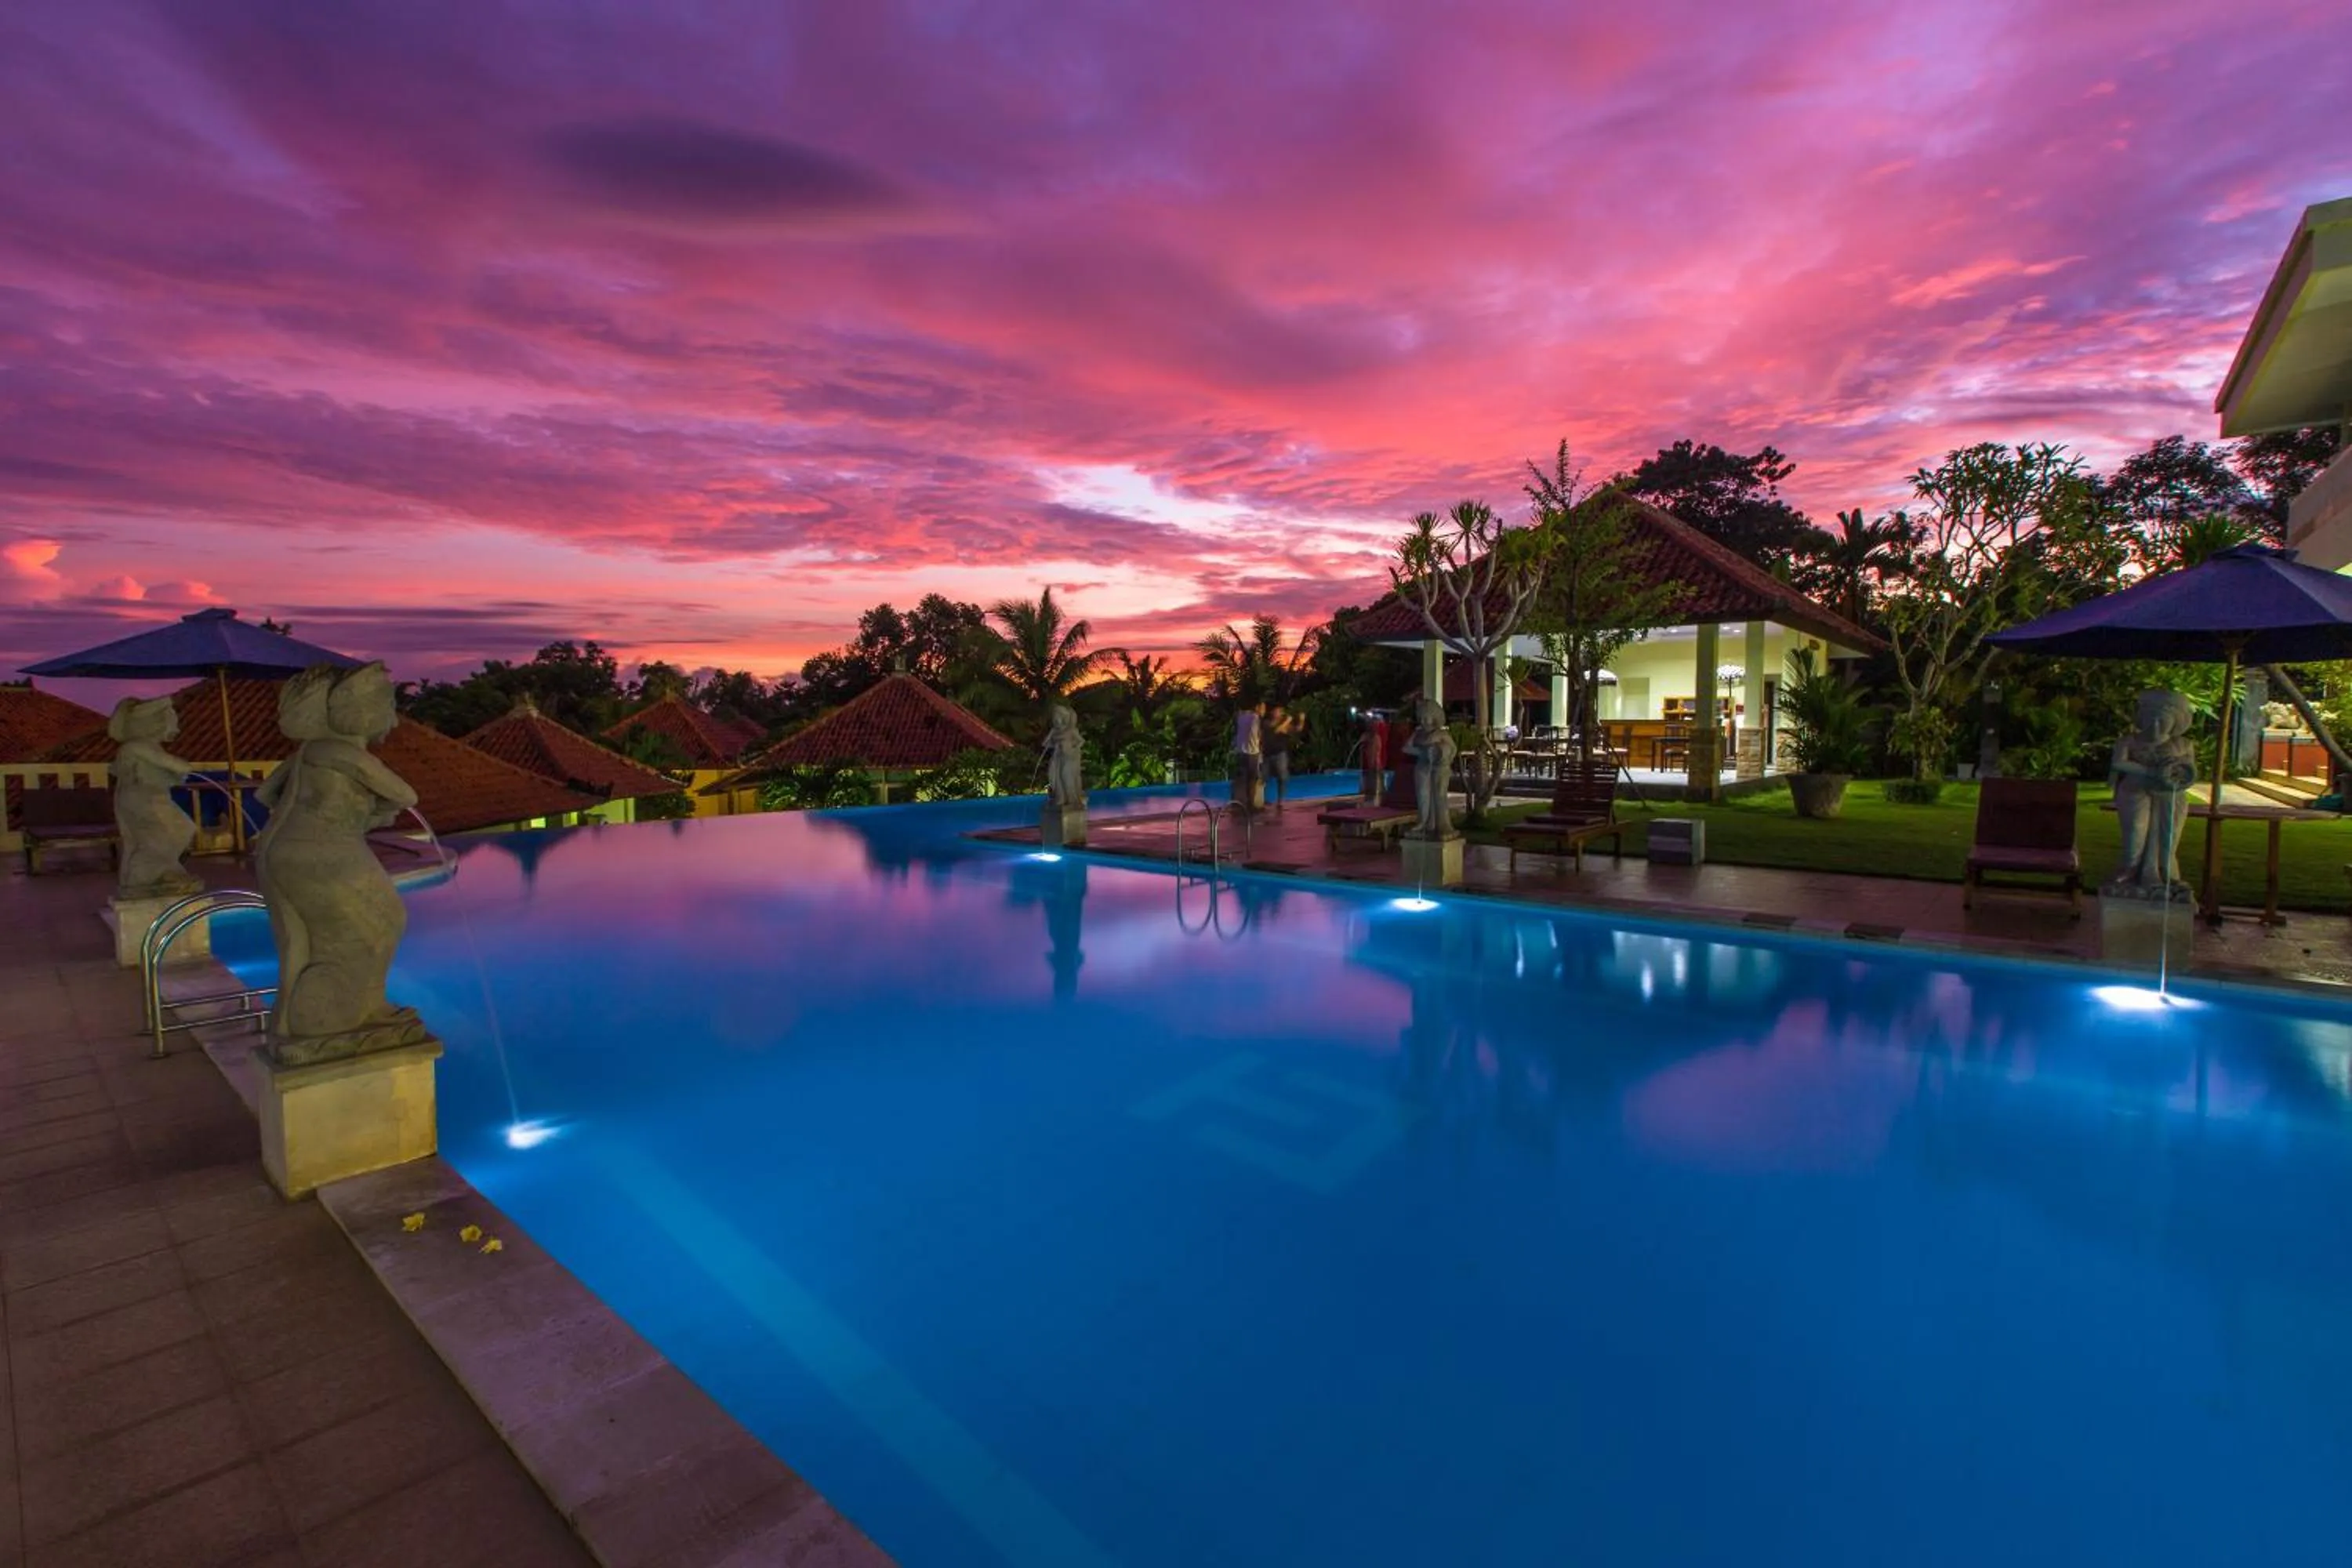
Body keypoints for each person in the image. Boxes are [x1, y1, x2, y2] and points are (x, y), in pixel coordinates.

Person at [1231, 702, 1262, 811]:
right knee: (1252, 779)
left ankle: (1240, 803)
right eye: (1262, 707)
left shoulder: (1240, 717)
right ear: (1257, 707)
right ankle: (1251, 804)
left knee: (1243, 778)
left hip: (1241, 751)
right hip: (1252, 752)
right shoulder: (1255, 717)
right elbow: (1255, 734)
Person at [1263, 704, 1294, 809]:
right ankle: (1262, 799)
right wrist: (1288, 721)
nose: (1279, 713)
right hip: (1267, 754)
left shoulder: (1284, 724)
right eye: (1277, 711)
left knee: (1282, 777)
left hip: (1280, 753)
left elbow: (1296, 729)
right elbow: (1276, 730)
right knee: (1264, 778)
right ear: (1272, 712)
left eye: (1281, 711)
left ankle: (1280, 801)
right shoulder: (1267, 723)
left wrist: (1302, 720)